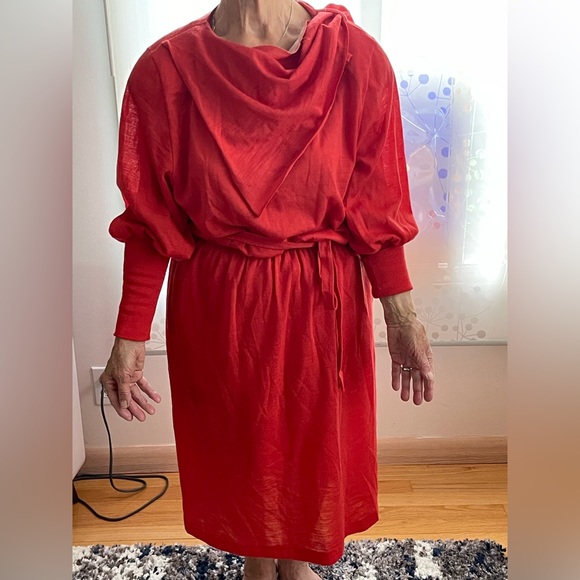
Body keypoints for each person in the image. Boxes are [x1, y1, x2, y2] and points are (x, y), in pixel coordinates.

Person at [99, 1, 435, 579]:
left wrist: (401, 315)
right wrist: (129, 335)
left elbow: (377, 206)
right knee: (243, 456)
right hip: (222, 310)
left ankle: (297, 566)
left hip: (321, 306)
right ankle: (257, 565)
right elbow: (151, 222)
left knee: (310, 458)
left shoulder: (355, 61)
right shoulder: (165, 71)